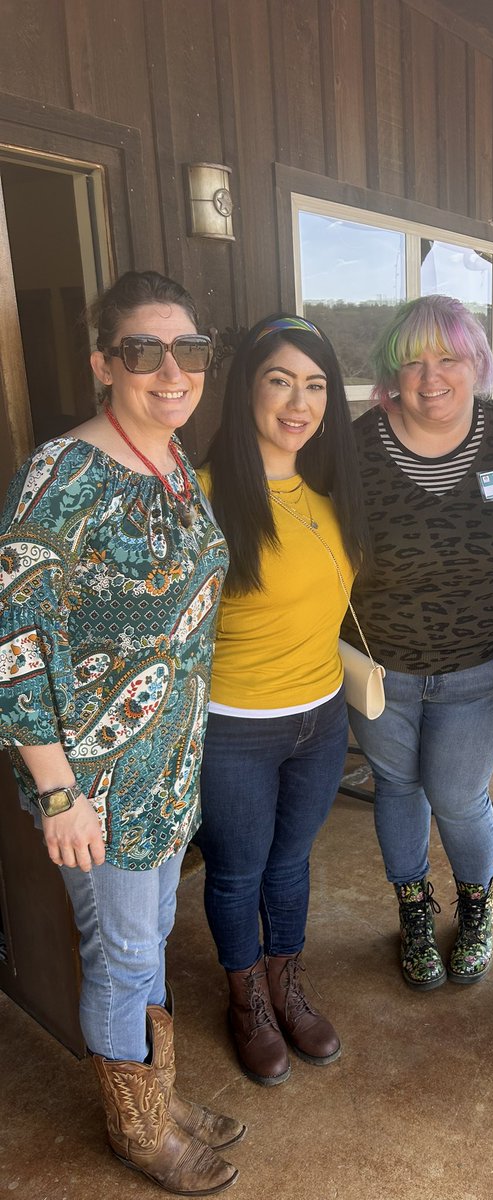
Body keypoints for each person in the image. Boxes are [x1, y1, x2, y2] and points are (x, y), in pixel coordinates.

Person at [0, 271, 240, 1195]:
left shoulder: (172, 459)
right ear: (105, 363)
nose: (172, 371)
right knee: (125, 952)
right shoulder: (62, 475)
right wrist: (57, 790)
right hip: (96, 783)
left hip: (165, 768)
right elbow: (14, 641)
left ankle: (158, 1091)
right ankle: (138, 1129)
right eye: (145, 351)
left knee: (148, 938)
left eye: (190, 350)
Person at [344, 295, 493, 989]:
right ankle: (414, 910)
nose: (431, 378)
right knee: (398, 787)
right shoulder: (353, 449)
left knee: (457, 795)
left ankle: (477, 907)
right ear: (390, 374)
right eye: (412, 362)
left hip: (477, 666)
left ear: (477, 362)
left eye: (449, 358)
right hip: (380, 666)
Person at [197, 314, 368, 1085]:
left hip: (321, 720)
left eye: (316, 385)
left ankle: (285, 986)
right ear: (246, 392)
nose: (299, 402)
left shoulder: (328, 494)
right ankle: (247, 1003)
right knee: (237, 874)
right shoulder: (202, 499)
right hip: (235, 729)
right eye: (280, 381)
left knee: (291, 863)